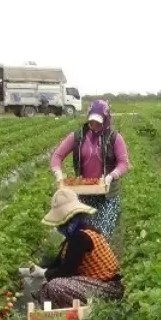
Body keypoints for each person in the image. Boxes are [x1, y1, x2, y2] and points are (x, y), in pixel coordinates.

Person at [24, 188, 124, 307]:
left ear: (69, 220)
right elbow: (59, 263)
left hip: (108, 288)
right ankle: (50, 307)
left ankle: (84, 310)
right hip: (95, 283)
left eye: (61, 223)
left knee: (55, 285)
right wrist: (36, 270)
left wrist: (44, 273)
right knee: (49, 285)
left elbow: (66, 271)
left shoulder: (80, 237)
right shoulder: (78, 233)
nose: (58, 227)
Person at [50, 99, 130, 239]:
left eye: (98, 122)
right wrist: (58, 173)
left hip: (107, 193)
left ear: (106, 119)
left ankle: (102, 259)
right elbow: (57, 156)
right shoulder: (78, 136)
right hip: (84, 192)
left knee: (101, 234)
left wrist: (111, 176)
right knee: (84, 235)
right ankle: (86, 260)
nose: (94, 125)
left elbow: (124, 163)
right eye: (91, 121)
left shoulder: (114, 138)